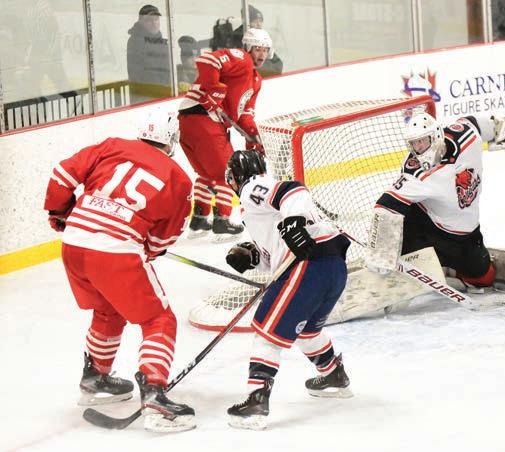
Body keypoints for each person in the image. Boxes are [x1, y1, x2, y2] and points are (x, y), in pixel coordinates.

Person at [43, 108, 195, 432]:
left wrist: (59, 210)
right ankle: (154, 394)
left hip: (74, 244)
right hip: (116, 252)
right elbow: (163, 237)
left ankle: (96, 377)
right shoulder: (179, 179)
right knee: (159, 319)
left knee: (108, 309)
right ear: (171, 139)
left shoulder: (112, 145)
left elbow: (62, 174)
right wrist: (147, 251)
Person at [223, 150, 352, 430]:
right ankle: (332, 374)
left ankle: (256, 401)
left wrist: (294, 221)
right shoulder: (256, 211)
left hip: (309, 265)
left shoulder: (252, 188)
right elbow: (275, 257)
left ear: (234, 177)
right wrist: (252, 257)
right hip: (332, 266)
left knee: (265, 334)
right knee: (307, 332)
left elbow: (292, 189)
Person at [366, 112, 505, 295]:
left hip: (464, 234)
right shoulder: (415, 173)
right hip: (427, 227)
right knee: (410, 246)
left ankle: (448, 266)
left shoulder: (465, 136)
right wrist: (380, 253)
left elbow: (481, 124)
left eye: (422, 141)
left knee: (484, 278)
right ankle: (407, 257)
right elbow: (385, 206)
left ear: (436, 136)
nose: (418, 148)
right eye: (414, 143)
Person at [177, 28, 273, 240]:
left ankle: (200, 218)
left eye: (266, 50)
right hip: (204, 119)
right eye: (258, 48)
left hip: (189, 122)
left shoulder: (256, 80)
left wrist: (254, 138)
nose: (262, 54)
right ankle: (222, 220)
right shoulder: (242, 59)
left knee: (208, 174)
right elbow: (208, 60)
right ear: (248, 47)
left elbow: (244, 115)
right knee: (229, 171)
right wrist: (213, 88)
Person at [126, 4, 172, 104]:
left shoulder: (161, 42)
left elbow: (167, 69)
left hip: (164, 94)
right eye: (149, 20)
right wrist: (161, 88)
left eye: (156, 19)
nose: (154, 23)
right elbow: (138, 73)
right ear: (141, 22)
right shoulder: (135, 42)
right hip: (145, 98)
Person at [231, 5, 283, 77]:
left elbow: (278, 64)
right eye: (255, 21)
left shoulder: (262, 36)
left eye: (260, 21)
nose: (258, 24)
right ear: (247, 23)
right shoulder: (239, 37)